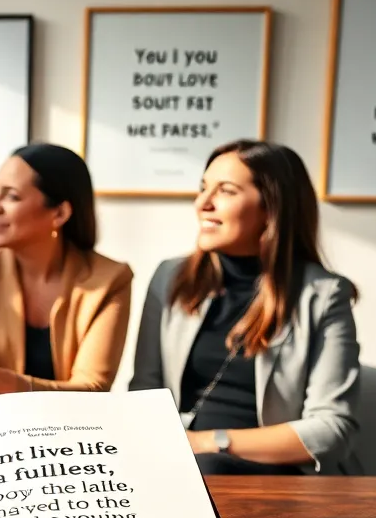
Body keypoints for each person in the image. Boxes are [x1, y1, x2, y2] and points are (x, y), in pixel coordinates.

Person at [128, 139, 362, 475]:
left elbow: (332, 429)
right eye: (203, 188)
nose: (202, 203)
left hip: (275, 474)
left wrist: (210, 441)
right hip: (179, 465)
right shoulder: (170, 278)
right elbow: (144, 394)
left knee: (207, 471)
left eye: (225, 191)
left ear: (271, 207)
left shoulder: (324, 295)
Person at [0, 143, 134, 408]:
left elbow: (93, 390)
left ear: (59, 213)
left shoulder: (110, 280)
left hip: (75, 436)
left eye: (12, 196)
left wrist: (0, 381)